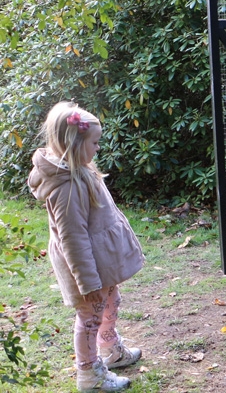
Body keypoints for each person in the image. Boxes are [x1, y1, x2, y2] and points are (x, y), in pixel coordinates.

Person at [28, 101, 145, 392]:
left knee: (109, 303)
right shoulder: (66, 188)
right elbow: (73, 240)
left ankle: (111, 350)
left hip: (100, 260)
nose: (98, 148)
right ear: (75, 143)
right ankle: (89, 375)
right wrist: (88, 281)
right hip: (87, 267)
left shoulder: (80, 171)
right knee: (89, 316)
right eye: (94, 142)